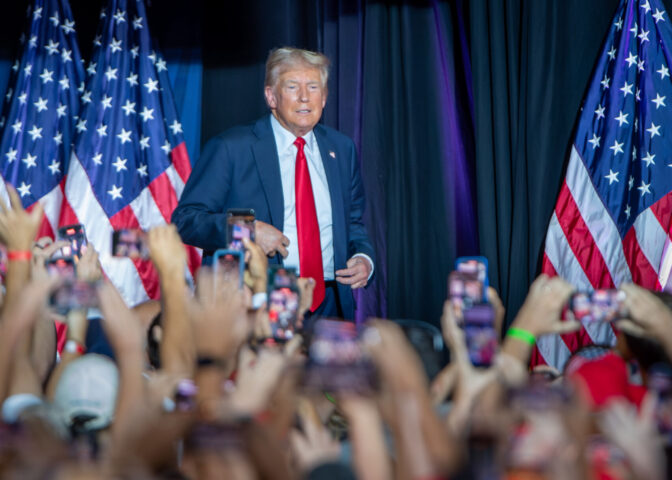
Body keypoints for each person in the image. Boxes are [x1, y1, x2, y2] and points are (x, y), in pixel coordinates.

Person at [172, 47, 375, 320]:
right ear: (271, 96)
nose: (305, 97)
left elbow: (353, 223)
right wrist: (249, 233)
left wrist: (364, 259)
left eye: (313, 87)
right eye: (292, 86)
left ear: (324, 97)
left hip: (329, 303)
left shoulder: (341, 148)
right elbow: (186, 220)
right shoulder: (232, 147)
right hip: (255, 300)